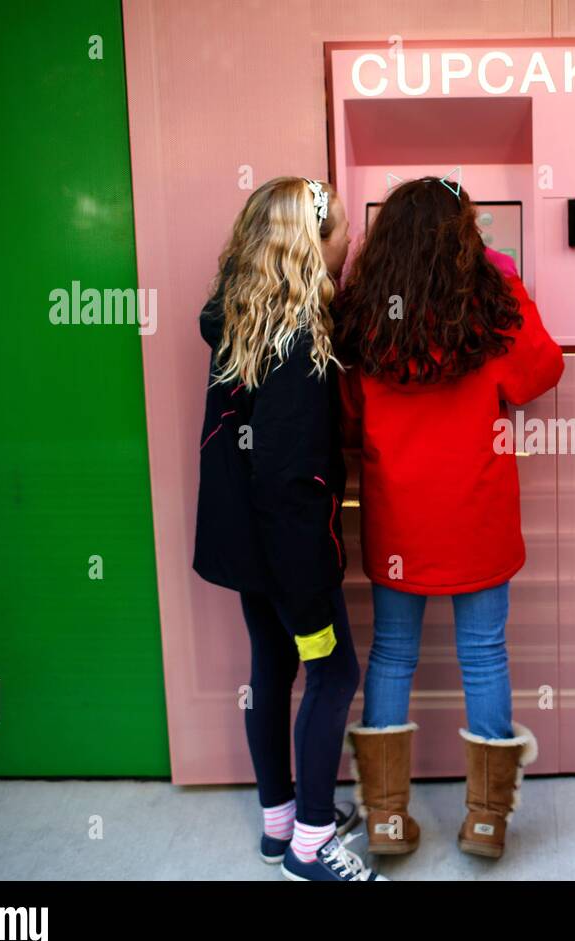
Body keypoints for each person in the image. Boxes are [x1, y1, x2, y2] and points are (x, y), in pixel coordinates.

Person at [335, 176, 563, 861]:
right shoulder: (489, 310)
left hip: (399, 520)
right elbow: (542, 370)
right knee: (484, 654)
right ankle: (488, 820)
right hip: (477, 516)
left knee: (393, 654)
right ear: (466, 240)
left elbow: (348, 417)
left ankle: (384, 818)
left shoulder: (364, 316)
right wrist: (507, 279)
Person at [192, 176, 382, 882]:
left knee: (271, 670)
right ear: (315, 242)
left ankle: (281, 823)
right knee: (334, 673)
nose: (351, 242)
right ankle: (311, 844)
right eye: (341, 233)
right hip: (289, 557)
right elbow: (288, 481)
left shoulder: (240, 321)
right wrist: (310, 580)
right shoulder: (302, 344)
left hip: (245, 551)